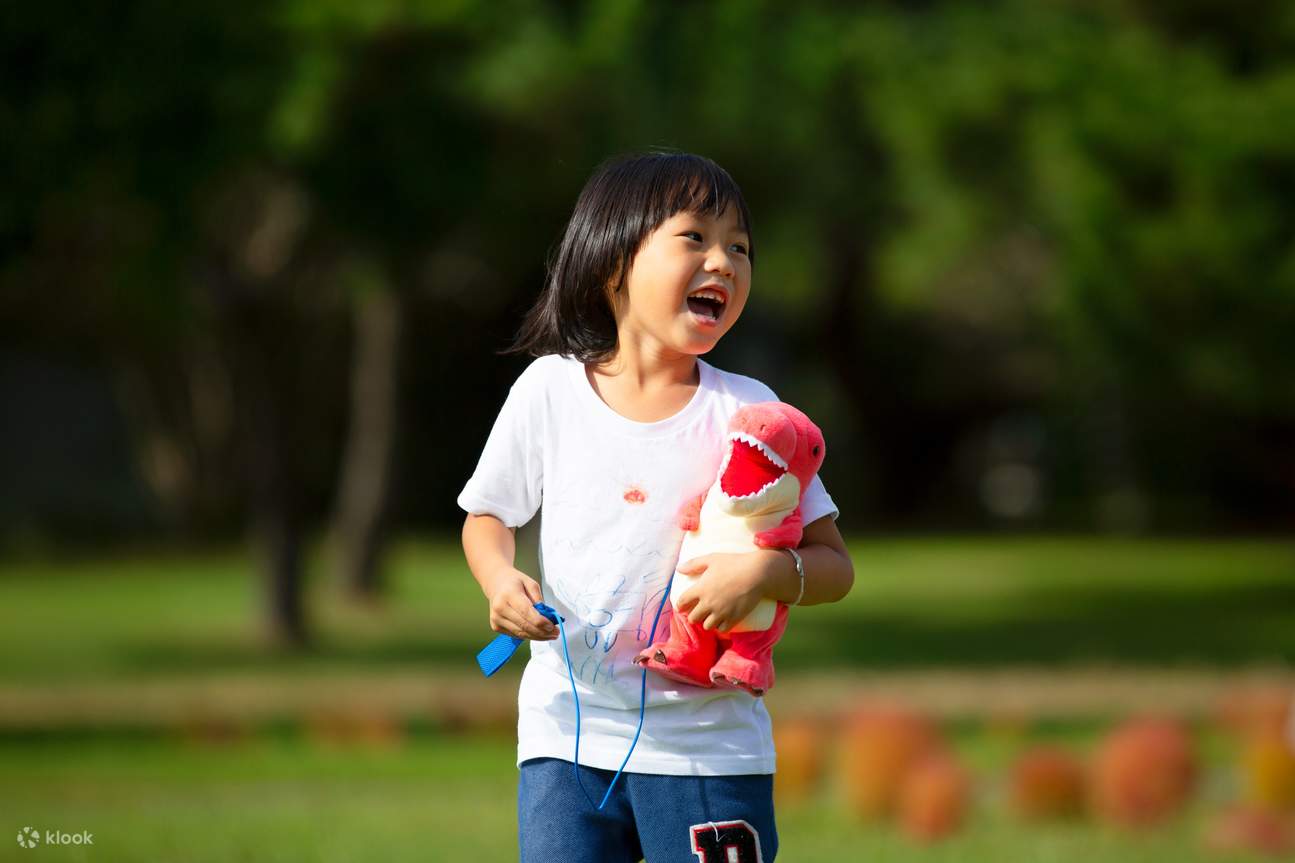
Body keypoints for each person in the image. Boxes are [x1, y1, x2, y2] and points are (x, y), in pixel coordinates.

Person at [458, 150, 854, 862]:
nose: (724, 261)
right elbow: (487, 518)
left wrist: (765, 577)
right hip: (563, 740)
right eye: (695, 237)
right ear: (614, 263)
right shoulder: (548, 391)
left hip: (708, 749)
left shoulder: (751, 412)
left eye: (739, 246)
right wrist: (498, 582)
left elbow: (834, 565)